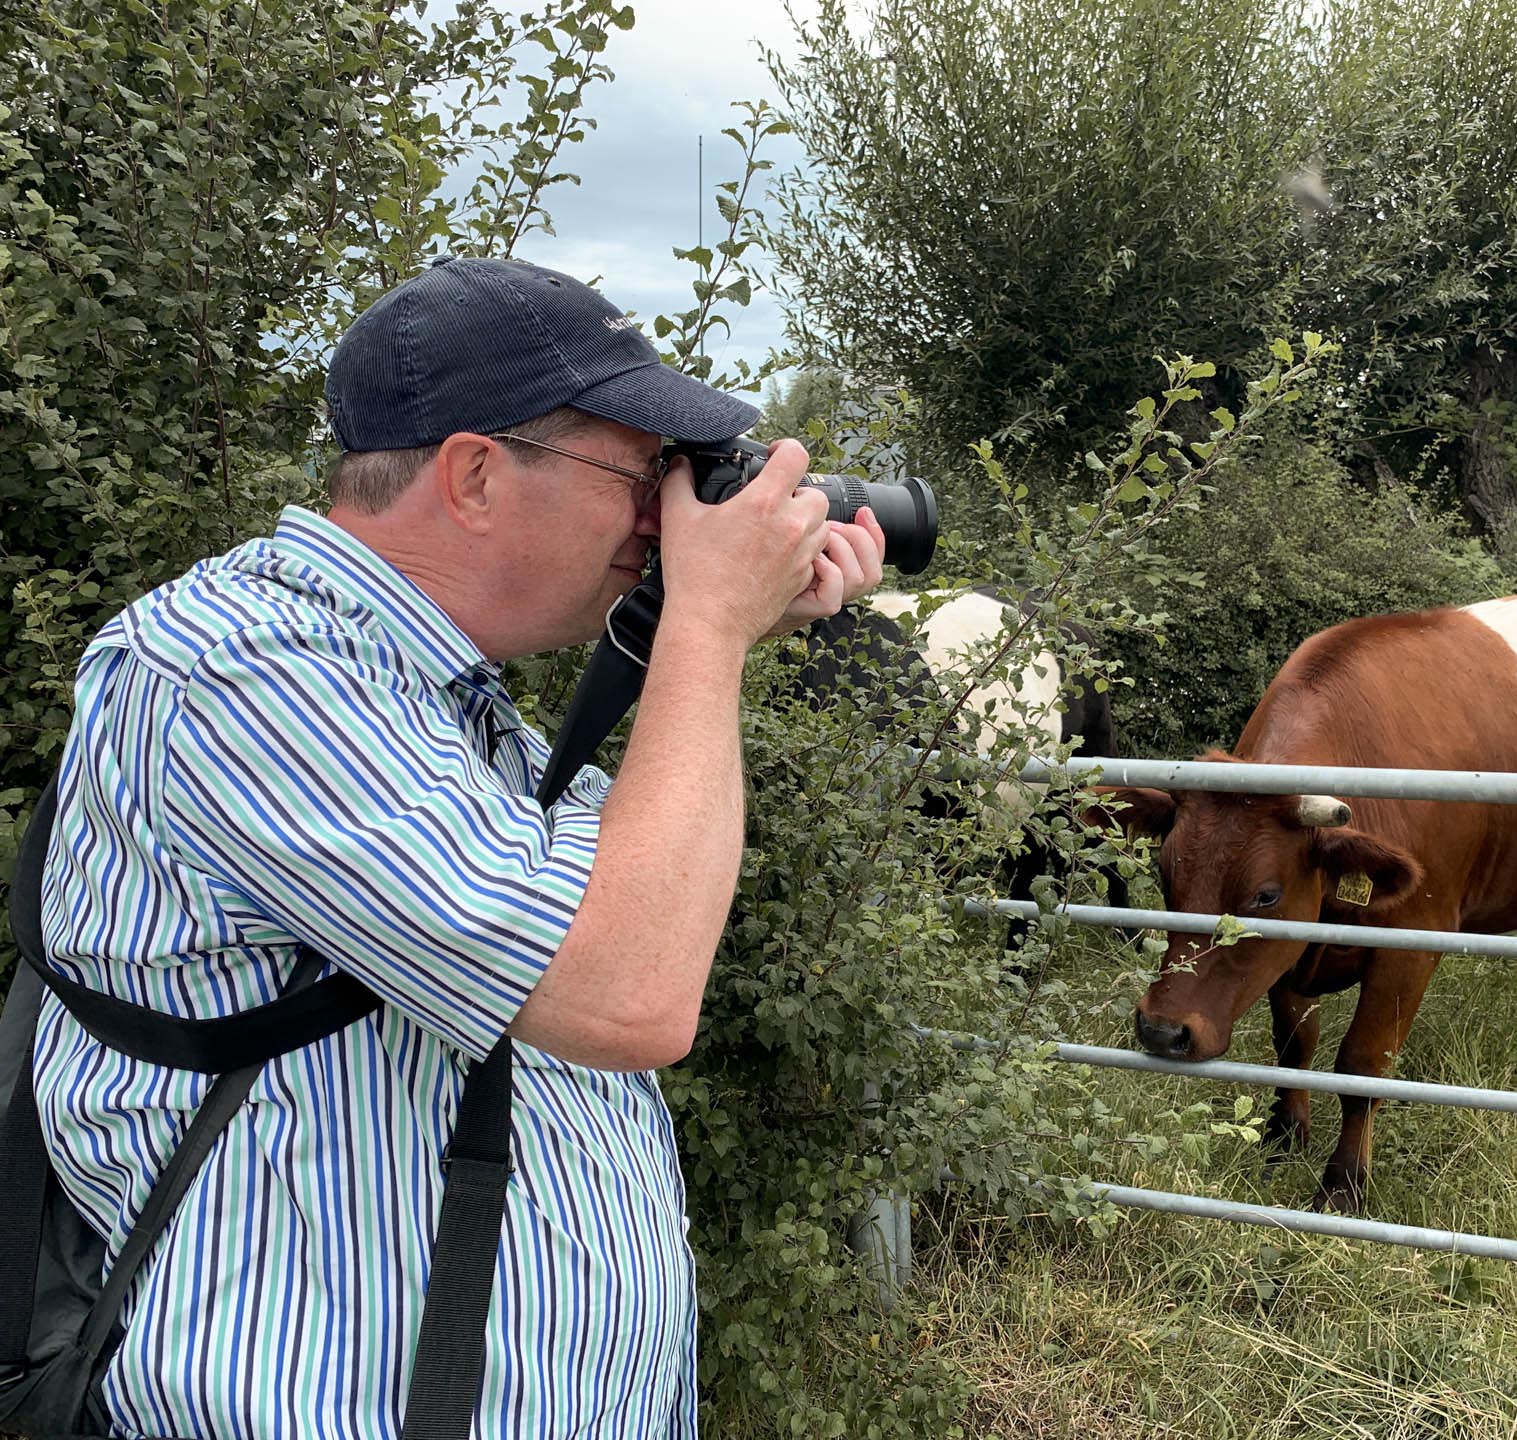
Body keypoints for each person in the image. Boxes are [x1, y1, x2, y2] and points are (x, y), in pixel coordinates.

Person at [31, 255, 886, 1437]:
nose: (664, 518)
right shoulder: (239, 669)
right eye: (644, 474)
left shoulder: (433, 700)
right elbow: (630, 993)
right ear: (475, 474)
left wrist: (712, 631)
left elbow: (640, 891)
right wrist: (705, 623)